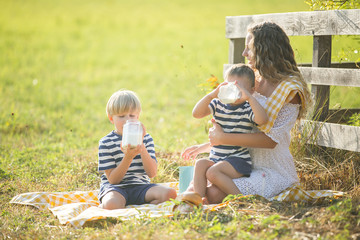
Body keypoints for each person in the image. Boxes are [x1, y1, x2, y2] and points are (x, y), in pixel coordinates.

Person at [182, 21, 312, 203]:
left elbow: (270, 141)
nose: (244, 54)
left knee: (212, 195)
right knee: (200, 188)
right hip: (239, 160)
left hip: (270, 169)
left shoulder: (289, 90)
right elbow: (240, 126)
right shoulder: (251, 80)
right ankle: (191, 200)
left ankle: (247, 201)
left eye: (249, 48)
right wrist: (207, 145)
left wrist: (222, 139)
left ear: (265, 50)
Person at [188, 64, 268, 200]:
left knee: (213, 172)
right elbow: (196, 113)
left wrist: (249, 97)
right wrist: (212, 95)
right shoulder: (218, 104)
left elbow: (262, 120)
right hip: (217, 158)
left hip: (238, 161)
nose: (234, 91)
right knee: (200, 163)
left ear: (251, 90)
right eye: (230, 87)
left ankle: (241, 199)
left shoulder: (247, 108)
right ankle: (199, 200)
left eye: (239, 89)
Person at [98, 90, 177, 209]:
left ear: (138, 117)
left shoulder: (146, 139)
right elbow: (113, 180)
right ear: (111, 118)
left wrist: (142, 146)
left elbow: (152, 173)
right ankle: (127, 205)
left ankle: (137, 206)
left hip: (141, 186)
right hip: (115, 189)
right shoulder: (106, 142)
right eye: (121, 116)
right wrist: (128, 157)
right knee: (111, 203)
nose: (127, 120)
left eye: (131, 116)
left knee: (170, 194)